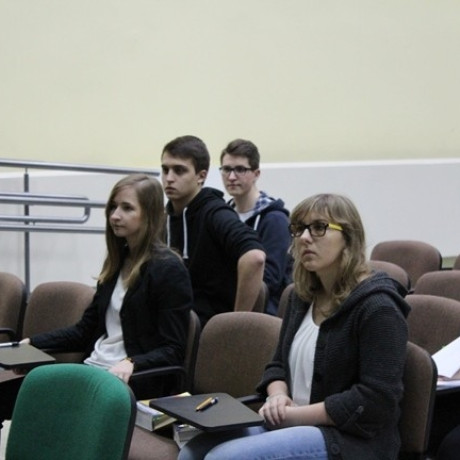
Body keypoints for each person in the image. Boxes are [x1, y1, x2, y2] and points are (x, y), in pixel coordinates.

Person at [179, 193, 409, 460]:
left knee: (224, 458)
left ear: (349, 236)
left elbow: (375, 401)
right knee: (193, 451)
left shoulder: (378, 307)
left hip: (347, 439)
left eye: (319, 227)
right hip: (290, 421)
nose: (305, 238)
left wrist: (295, 416)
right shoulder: (301, 296)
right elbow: (277, 364)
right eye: (299, 229)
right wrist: (277, 396)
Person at [0, 174, 193, 436]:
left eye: (127, 208)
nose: (115, 216)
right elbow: (84, 331)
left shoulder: (169, 269)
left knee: (45, 401)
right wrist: (32, 343)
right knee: (13, 391)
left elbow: (173, 349)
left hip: (130, 380)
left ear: (149, 215)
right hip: (93, 369)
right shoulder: (118, 262)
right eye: (113, 207)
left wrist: (132, 362)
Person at [161, 135, 266, 327]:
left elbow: (255, 257)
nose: (169, 178)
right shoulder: (165, 217)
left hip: (206, 329)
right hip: (170, 325)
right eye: (165, 170)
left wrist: (234, 325)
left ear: (201, 176)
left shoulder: (215, 213)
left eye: (179, 170)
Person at [220, 139, 292, 315]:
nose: (231, 177)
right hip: (224, 306)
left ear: (256, 173)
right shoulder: (223, 216)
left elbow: (269, 279)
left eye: (240, 169)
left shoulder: (275, 219)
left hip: (263, 314)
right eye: (227, 169)